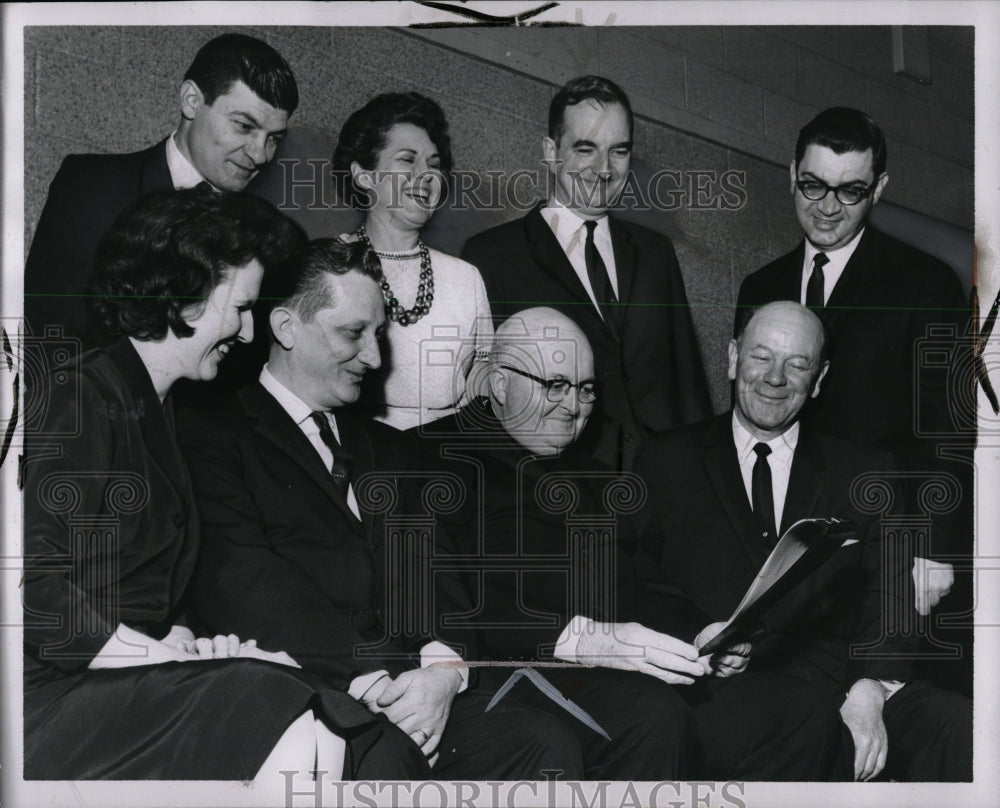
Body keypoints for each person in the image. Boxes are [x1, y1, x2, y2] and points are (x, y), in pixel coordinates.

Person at [21, 188, 400, 790]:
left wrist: (186, 642)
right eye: (242, 308)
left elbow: (136, 591)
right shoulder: (83, 395)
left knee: (306, 701)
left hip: (111, 687)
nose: (249, 334)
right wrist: (160, 657)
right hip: (46, 704)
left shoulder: (163, 413)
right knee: (290, 710)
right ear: (187, 297)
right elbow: (34, 595)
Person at [176, 239, 578, 780]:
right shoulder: (213, 436)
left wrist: (443, 670)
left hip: (416, 692)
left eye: (379, 334)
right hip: (304, 688)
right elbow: (245, 583)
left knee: (544, 743)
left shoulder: (392, 449)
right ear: (286, 327)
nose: (374, 357)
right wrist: (374, 680)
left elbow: (438, 574)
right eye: (352, 333)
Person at [422, 307, 834, 780]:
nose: (572, 405)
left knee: (796, 711)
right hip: (516, 673)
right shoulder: (434, 459)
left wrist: (702, 634)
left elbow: (641, 579)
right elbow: (449, 600)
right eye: (554, 385)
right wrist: (592, 639)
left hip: (624, 675)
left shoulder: (593, 476)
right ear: (498, 384)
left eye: (585, 388)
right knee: (651, 718)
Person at [635, 300, 972, 781]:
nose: (776, 377)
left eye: (798, 364)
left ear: (819, 379)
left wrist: (870, 688)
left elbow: (891, 597)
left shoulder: (865, 470)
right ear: (732, 359)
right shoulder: (667, 460)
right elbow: (639, 584)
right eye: (761, 356)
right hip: (722, 694)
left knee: (959, 727)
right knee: (799, 726)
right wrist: (696, 633)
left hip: (844, 684)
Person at [735, 107, 972, 690]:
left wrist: (937, 550)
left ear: (880, 189)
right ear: (792, 174)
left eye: (851, 190)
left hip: (890, 546)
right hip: (792, 550)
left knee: (890, 710)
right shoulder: (760, 287)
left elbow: (949, 429)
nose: (826, 205)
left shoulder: (926, 282)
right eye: (813, 184)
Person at [461, 75, 711, 471]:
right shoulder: (492, 255)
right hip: (556, 492)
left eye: (619, 151)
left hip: (664, 489)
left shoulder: (655, 252)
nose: (604, 169)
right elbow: (484, 397)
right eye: (585, 149)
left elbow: (687, 383)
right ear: (550, 151)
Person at [24, 32, 298, 348]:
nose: (260, 154)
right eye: (244, 127)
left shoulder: (265, 233)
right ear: (191, 101)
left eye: (273, 138)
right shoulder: (90, 186)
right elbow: (45, 332)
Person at [331, 92, 492, 430]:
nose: (426, 175)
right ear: (364, 175)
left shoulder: (466, 278)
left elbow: (482, 393)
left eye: (434, 165)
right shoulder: (328, 265)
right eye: (407, 159)